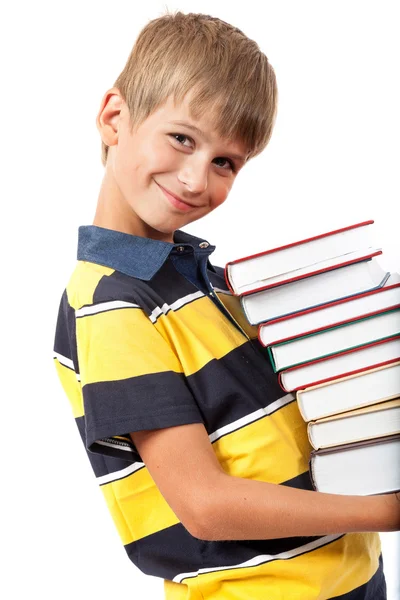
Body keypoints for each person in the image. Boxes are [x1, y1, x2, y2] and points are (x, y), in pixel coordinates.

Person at [53, 10, 399, 599]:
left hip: (350, 576)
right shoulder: (111, 303)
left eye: (224, 163)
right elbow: (205, 507)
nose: (194, 180)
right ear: (115, 118)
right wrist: (386, 512)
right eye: (182, 138)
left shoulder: (207, 279)